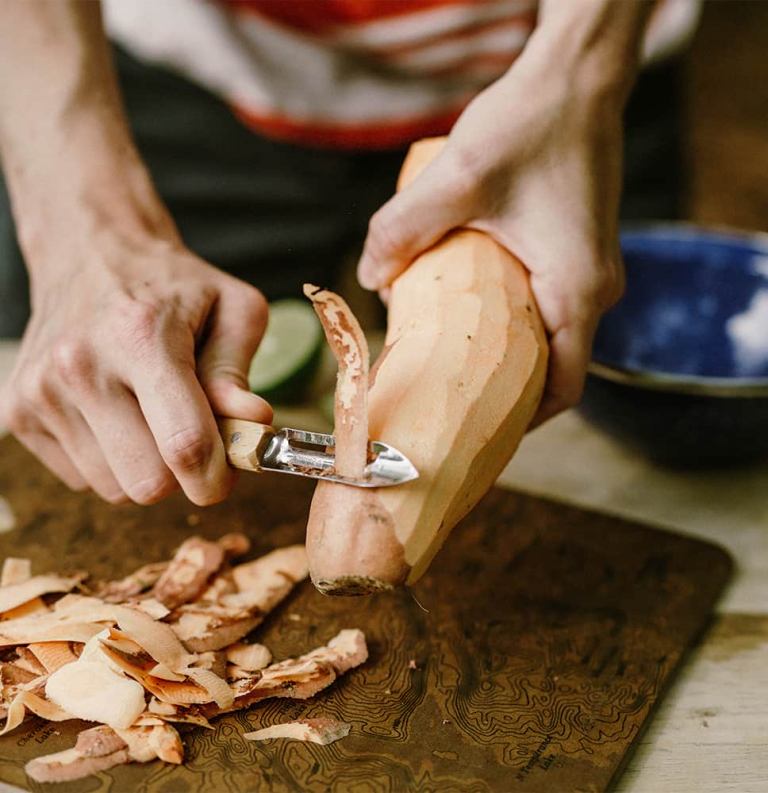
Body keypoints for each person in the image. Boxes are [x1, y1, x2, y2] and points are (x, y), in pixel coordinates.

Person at [0, 0, 692, 507]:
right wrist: (83, 229)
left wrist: (581, 75)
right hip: (162, 70)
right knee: (118, 399)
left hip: (575, 64)